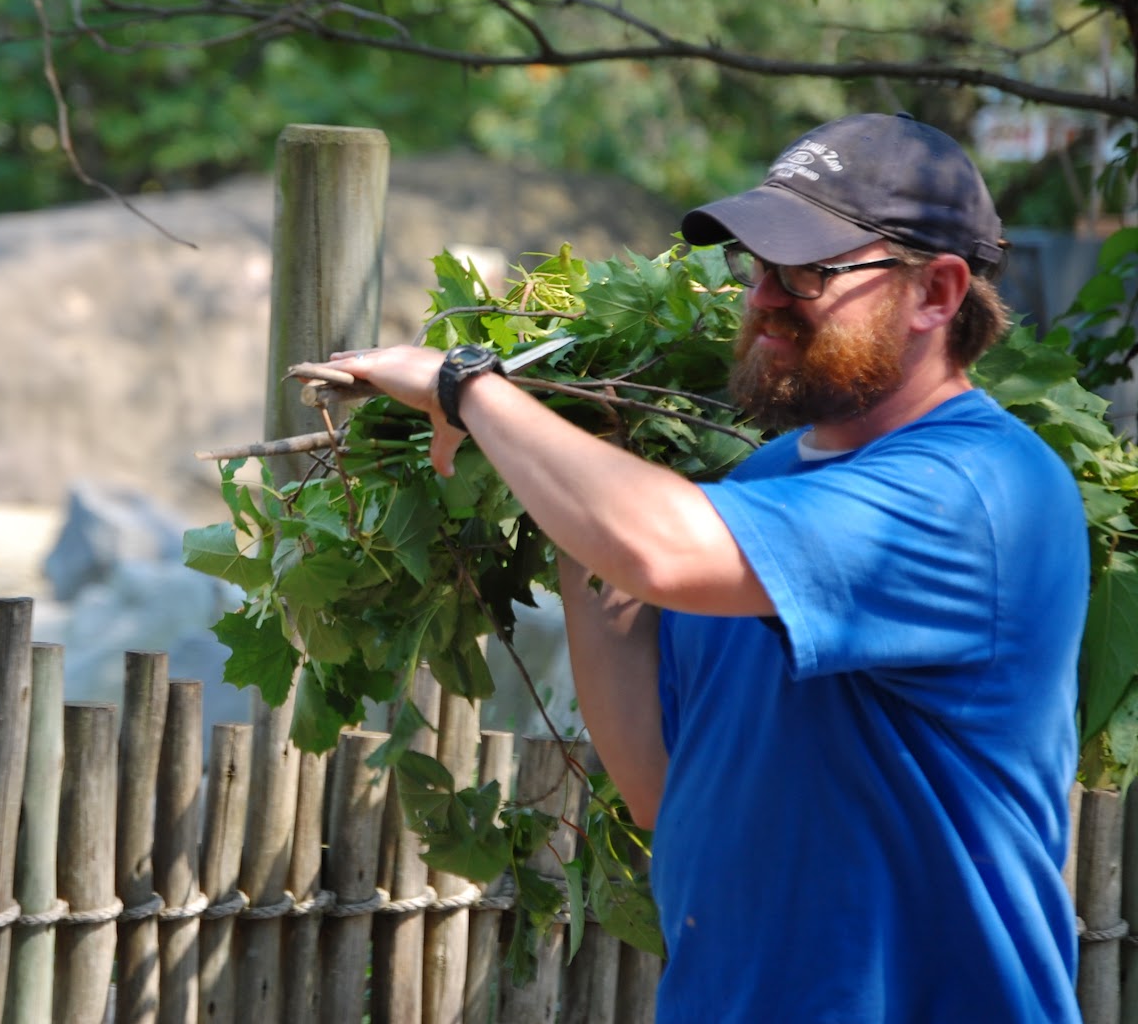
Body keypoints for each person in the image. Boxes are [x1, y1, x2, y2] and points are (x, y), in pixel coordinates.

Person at [323, 112, 1086, 1022]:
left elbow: (659, 545)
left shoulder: (980, 490)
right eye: (756, 266)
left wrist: (469, 387)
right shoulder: (761, 490)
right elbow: (662, 786)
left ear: (938, 291)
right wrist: (564, 491)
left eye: (808, 272)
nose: (762, 297)